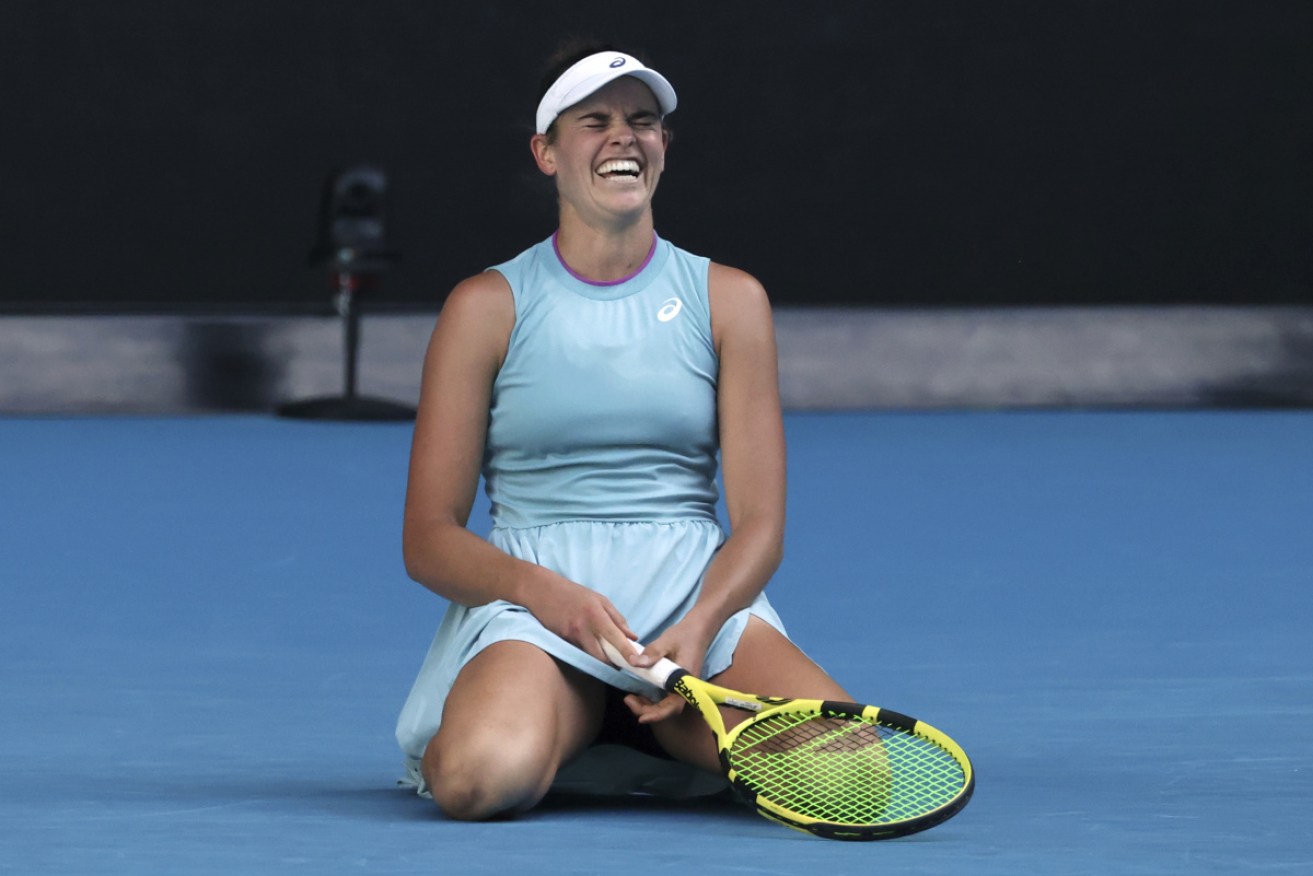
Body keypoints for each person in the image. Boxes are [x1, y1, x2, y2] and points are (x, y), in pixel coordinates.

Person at [395, 42, 851, 821]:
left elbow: (761, 526)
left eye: (643, 122)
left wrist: (699, 627)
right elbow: (428, 539)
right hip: (541, 610)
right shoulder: (484, 306)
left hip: (691, 604)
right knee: (477, 779)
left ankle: (656, 732)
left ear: (662, 148)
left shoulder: (730, 300)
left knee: (852, 780)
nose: (623, 137)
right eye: (593, 121)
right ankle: (574, 710)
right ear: (545, 152)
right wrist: (545, 596)